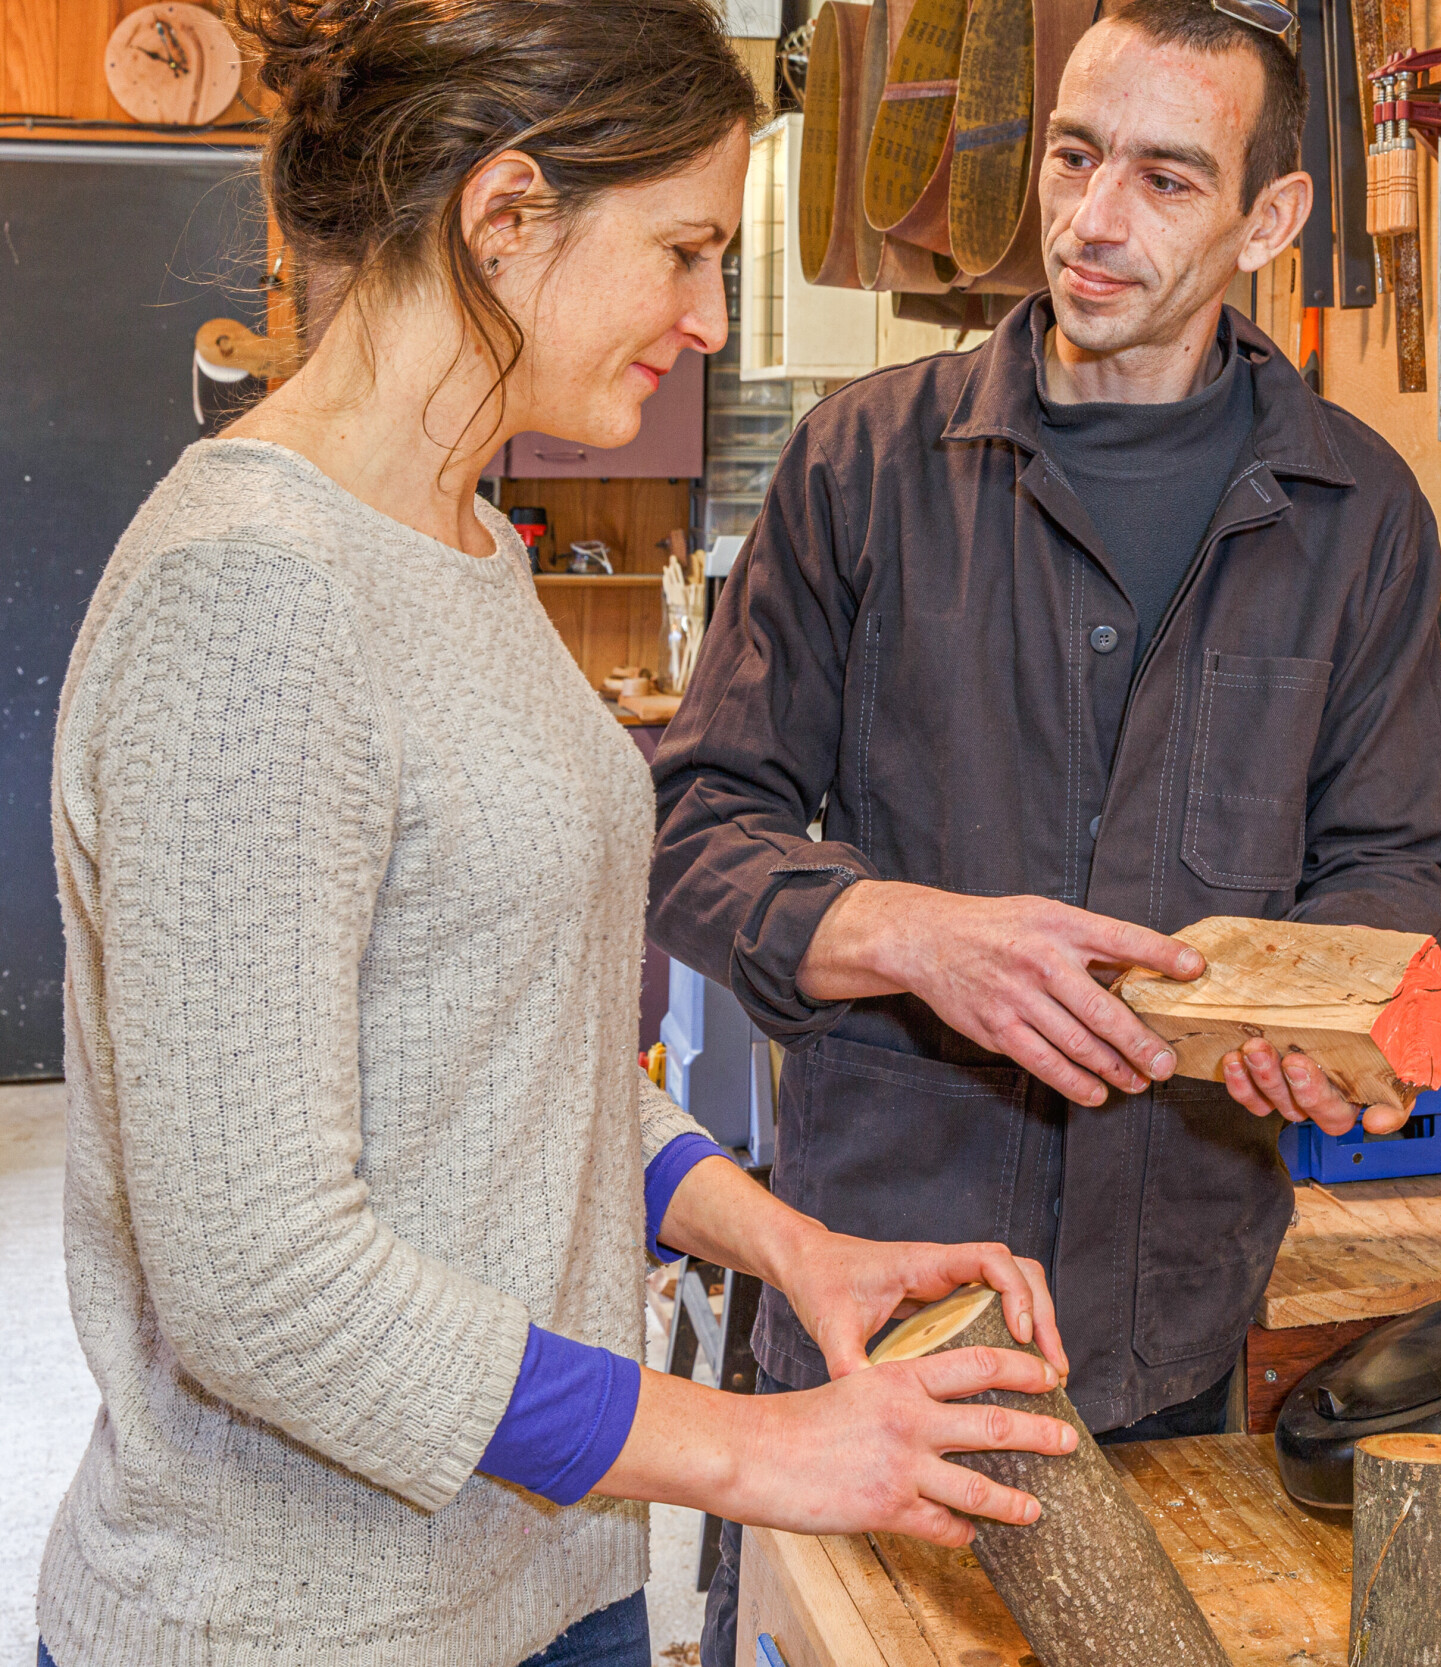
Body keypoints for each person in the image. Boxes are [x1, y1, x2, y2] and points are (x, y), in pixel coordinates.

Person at [37, 3, 1084, 1663]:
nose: (710, 314)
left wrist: (782, 1241)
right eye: (680, 251)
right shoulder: (249, 595)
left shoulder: (460, 543)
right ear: (505, 218)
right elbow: (263, 1288)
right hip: (308, 1624)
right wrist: (759, 1449)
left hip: (547, 1580)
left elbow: (506, 1058)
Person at [648, 0, 1441, 1655]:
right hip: (876, 1311)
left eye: (1168, 180)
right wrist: (910, 932)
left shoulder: (1359, 513)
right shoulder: (861, 467)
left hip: (1169, 1335)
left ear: (1274, 220)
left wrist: (1336, 1029)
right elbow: (694, 828)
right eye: (1077, 156)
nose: (1092, 224)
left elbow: (1393, 870)